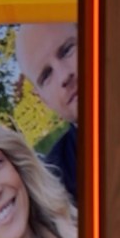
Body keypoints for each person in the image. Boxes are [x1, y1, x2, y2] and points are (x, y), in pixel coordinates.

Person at [15, 23, 79, 201]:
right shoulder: (56, 187)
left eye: (66, 51)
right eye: (46, 75)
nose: (64, 76)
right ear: (43, 99)